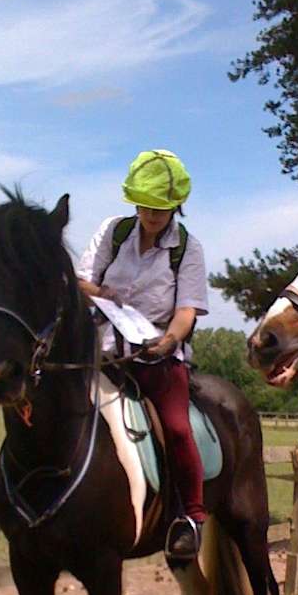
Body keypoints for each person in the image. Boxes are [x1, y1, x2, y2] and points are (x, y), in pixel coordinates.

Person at [76, 149, 210, 560]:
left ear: (176, 207)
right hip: (102, 352)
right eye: (146, 206)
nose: (153, 215)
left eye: (162, 209)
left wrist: (169, 342)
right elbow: (80, 281)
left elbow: (187, 309)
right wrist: (102, 294)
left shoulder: (187, 248)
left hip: (156, 357)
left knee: (176, 427)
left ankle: (190, 518)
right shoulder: (112, 233)